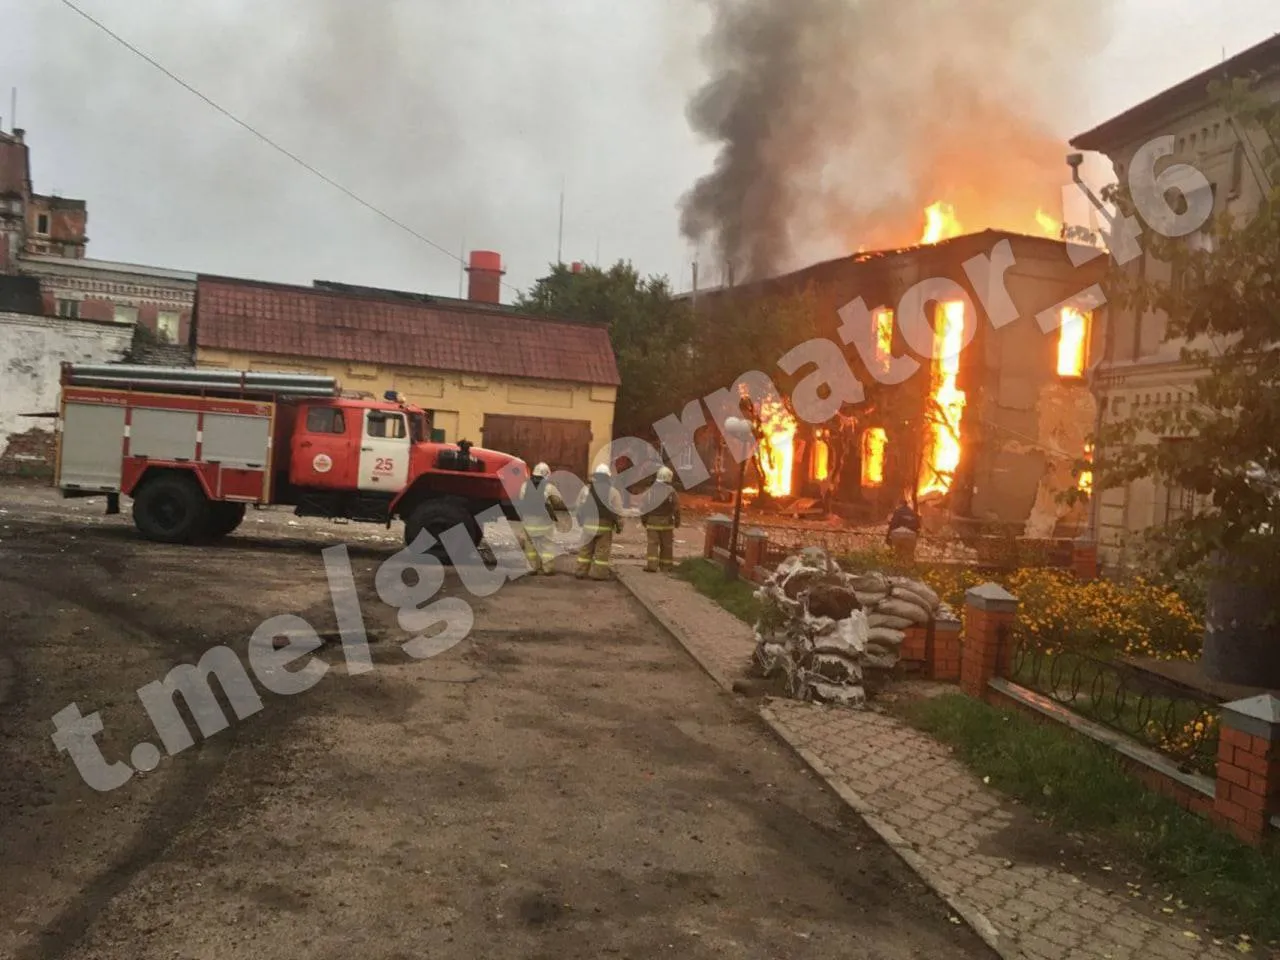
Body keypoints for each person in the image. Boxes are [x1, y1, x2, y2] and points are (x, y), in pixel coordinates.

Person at [514, 462, 566, 576]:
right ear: (546, 474)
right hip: (544, 522)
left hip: (528, 521)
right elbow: (558, 501)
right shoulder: (549, 487)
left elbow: (521, 499)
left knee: (530, 545)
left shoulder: (525, 485)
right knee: (546, 545)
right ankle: (547, 569)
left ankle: (532, 568)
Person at [575, 463, 624, 580]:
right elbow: (618, 512)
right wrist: (619, 527)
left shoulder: (586, 489)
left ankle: (580, 571)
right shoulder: (613, 492)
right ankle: (599, 574)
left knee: (585, 549)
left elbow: (579, 506)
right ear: (608, 477)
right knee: (602, 551)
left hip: (588, 524)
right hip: (605, 526)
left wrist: (580, 521)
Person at [642, 466, 681, 573]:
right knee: (667, 545)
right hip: (667, 523)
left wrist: (644, 520)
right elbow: (676, 507)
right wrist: (677, 521)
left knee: (652, 544)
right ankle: (666, 566)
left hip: (652, 522)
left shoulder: (650, 490)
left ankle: (652, 566)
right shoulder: (671, 491)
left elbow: (644, 507)